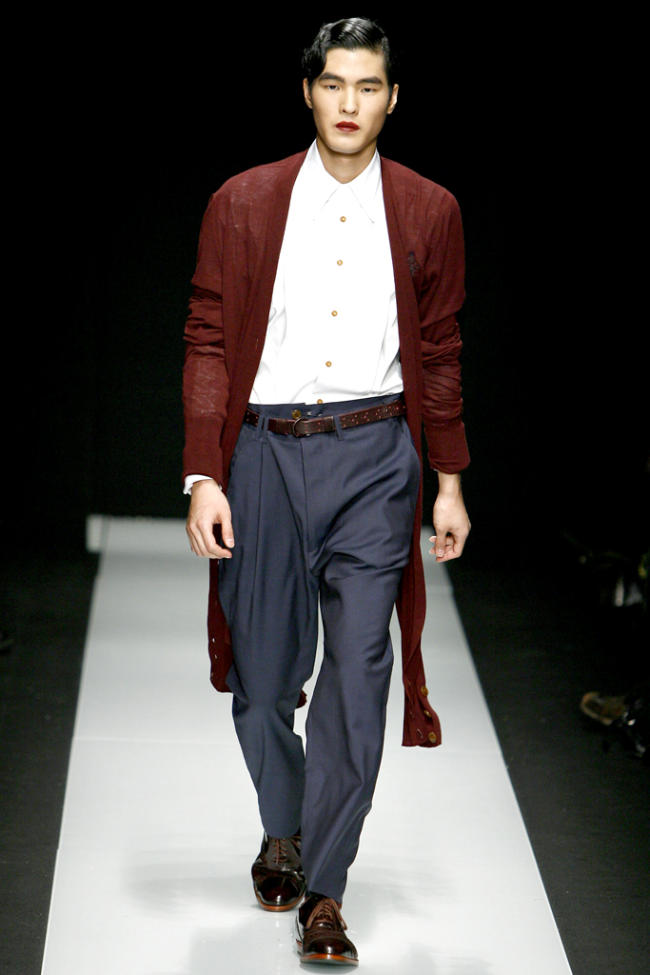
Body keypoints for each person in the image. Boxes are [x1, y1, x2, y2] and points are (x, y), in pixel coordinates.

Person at [183, 17, 471, 966]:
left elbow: (439, 351)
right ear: (308, 91)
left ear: (394, 99)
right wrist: (204, 473)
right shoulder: (242, 201)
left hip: (375, 454)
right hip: (264, 454)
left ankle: (327, 889)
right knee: (264, 679)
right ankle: (286, 823)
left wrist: (448, 482)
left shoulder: (429, 209)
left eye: (369, 86)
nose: (350, 103)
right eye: (335, 84)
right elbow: (209, 337)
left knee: (358, 675)